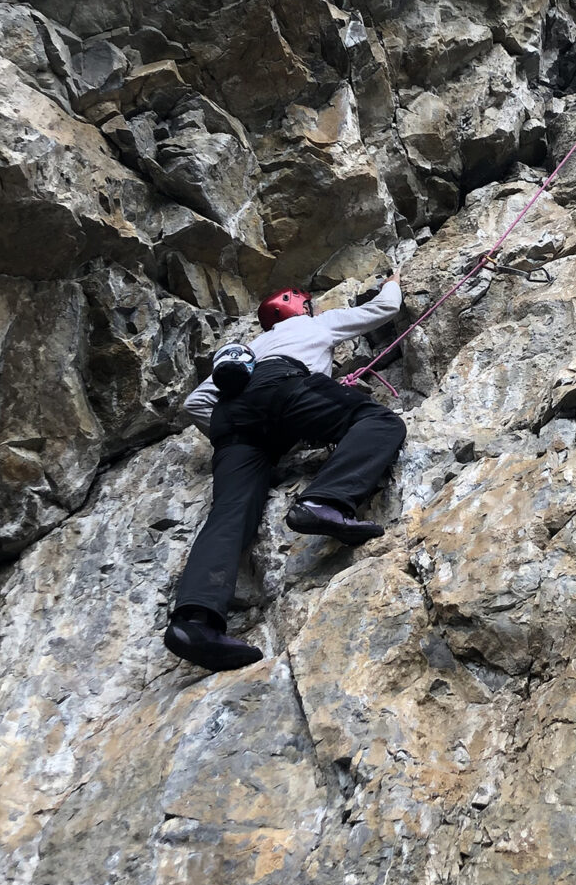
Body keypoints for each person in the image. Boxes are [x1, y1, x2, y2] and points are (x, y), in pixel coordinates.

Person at [164, 278, 407, 673]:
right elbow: (384, 309)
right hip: (285, 386)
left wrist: (251, 441)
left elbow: (197, 403)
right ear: (301, 308)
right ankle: (323, 502)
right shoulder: (312, 324)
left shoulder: (246, 353)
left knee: (229, 515)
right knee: (379, 422)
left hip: (232, 421)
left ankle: (194, 621)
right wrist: (393, 283)